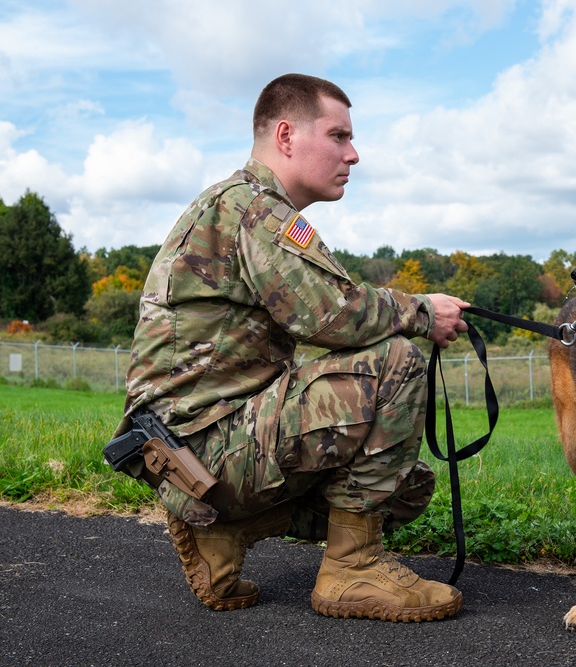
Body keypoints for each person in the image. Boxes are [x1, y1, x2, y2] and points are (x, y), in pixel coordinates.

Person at [113, 73, 470, 622]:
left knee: (405, 487)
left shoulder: (241, 206)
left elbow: (319, 319)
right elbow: (332, 314)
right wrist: (424, 311)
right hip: (203, 449)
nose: (353, 154)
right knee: (397, 361)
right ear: (286, 136)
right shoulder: (259, 210)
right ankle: (352, 571)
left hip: (196, 452)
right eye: (338, 136)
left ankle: (227, 533)